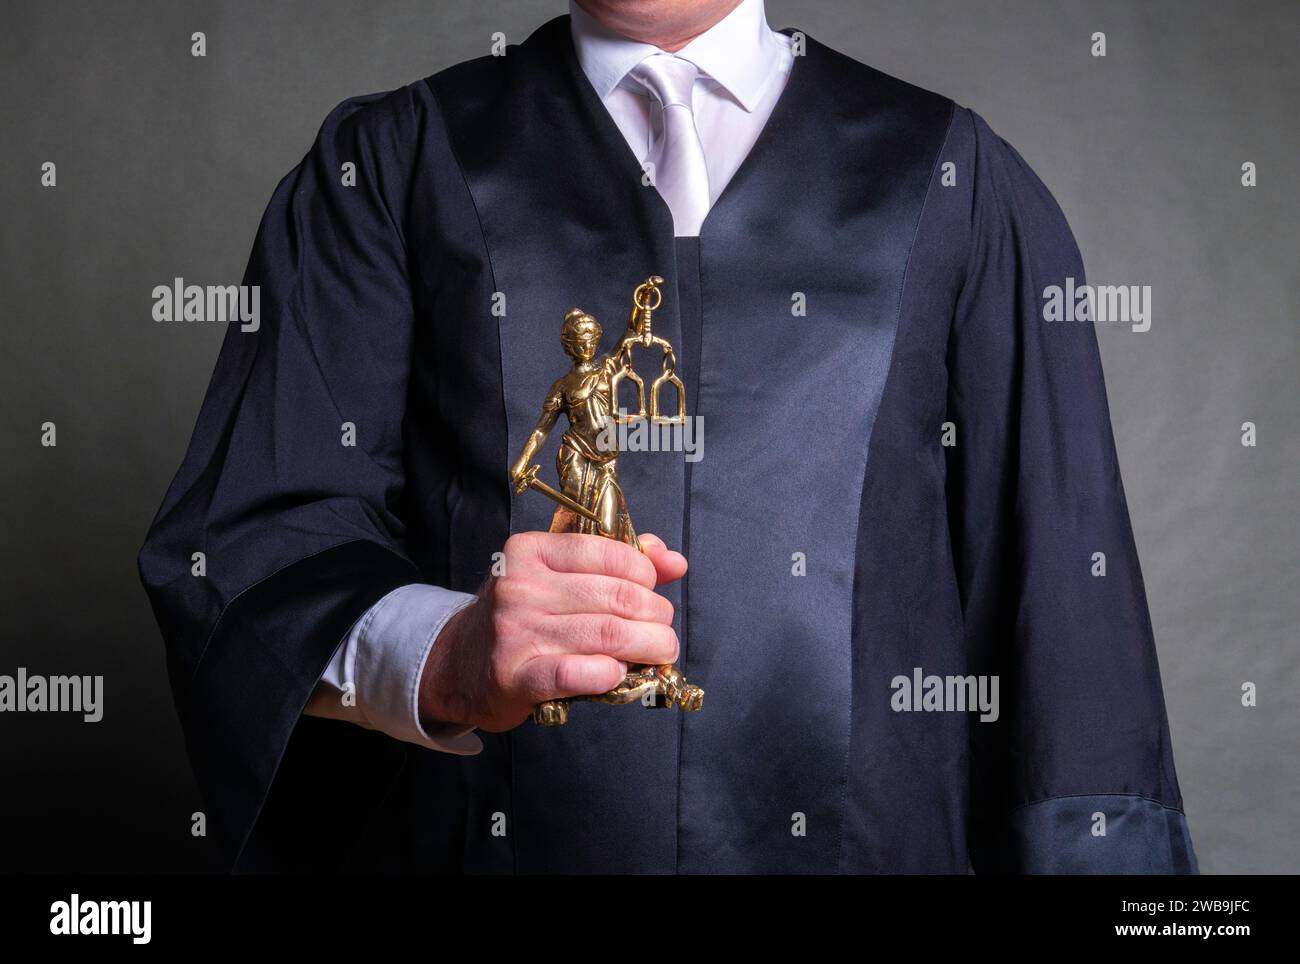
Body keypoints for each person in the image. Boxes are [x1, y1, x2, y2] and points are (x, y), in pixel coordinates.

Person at [139, 0, 1198, 873]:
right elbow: (246, 551)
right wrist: (448, 657)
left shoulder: (953, 183)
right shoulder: (392, 170)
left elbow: (1068, 617)